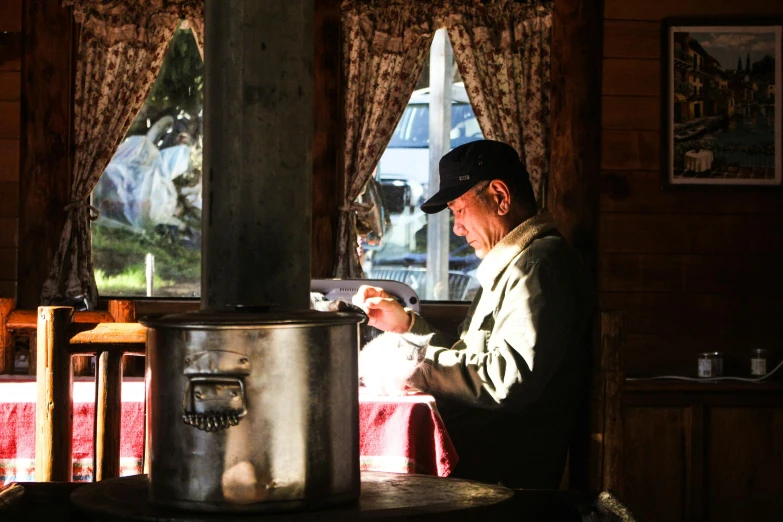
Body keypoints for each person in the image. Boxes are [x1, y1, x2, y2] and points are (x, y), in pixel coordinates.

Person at [352, 139, 593, 488]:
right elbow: (472, 359)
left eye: (459, 210)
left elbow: (505, 380)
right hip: (484, 453)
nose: (457, 228)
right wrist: (406, 326)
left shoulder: (539, 266)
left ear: (499, 196)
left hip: (502, 469)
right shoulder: (514, 263)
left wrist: (411, 364)